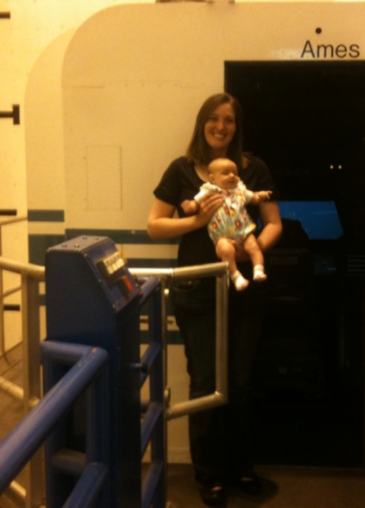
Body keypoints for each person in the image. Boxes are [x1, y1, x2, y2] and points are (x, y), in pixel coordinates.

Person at [147, 93, 282, 507]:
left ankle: (241, 467)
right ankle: (209, 475)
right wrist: (199, 221)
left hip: (244, 293)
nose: (221, 127)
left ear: (237, 127)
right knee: (205, 381)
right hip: (197, 293)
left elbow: (274, 222)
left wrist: (253, 245)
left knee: (240, 383)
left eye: (229, 120)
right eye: (213, 119)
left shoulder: (252, 168)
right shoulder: (182, 171)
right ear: (202, 123)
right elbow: (154, 226)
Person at [184, 157, 273, 291]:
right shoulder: (209, 190)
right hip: (221, 235)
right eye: (226, 173)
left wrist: (260, 195)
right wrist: (190, 206)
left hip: (244, 230)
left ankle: (258, 269)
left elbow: (253, 198)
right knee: (226, 251)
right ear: (213, 179)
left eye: (235, 173)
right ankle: (236, 276)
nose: (232, 176)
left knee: (254, 246)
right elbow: (196, 202)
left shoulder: (240, 190)